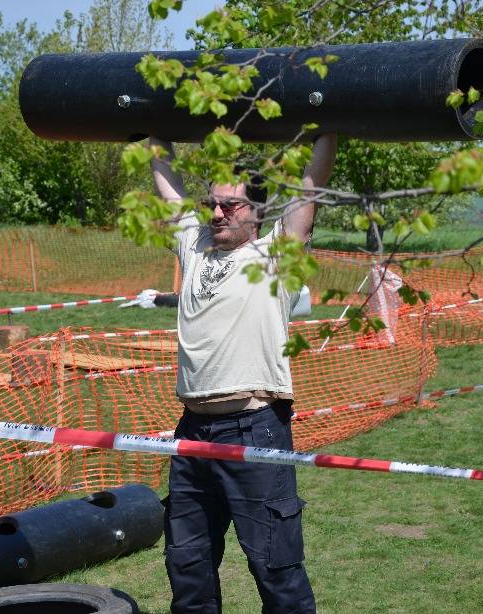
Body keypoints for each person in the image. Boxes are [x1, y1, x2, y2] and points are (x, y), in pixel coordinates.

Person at [150, 133, 337, 614]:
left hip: (254, 428)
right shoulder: (194, 248)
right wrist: (154, 135)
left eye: (230, 206)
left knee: (276, 566)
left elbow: (309, 191)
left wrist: (327, 130)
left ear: (256, 213)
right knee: (187, 564)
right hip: (192, 431)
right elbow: (169, 191)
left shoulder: (274, 256)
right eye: (211, 204)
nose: (216, 214)